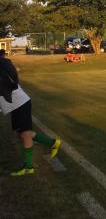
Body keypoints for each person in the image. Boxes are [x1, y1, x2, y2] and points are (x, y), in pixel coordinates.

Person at [0, 49, 61, 177]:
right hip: (17, 104)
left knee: (25, 134)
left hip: (19, 103)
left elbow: (6, 87)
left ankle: (29, 167)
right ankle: (53, 143)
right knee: (23, 133)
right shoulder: (4, 63)